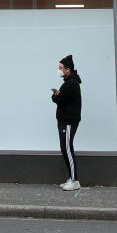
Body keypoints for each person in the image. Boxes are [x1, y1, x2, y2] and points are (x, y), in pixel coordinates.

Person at [51, 54, 82, 191]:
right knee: (65, 149)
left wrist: (56, 95)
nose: (59, 70)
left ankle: (75, 180)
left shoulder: (71, 83)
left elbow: (59, 99)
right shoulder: (67, 82)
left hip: (68, 121)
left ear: (68, 69)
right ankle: (71, 178)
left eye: (60, 68)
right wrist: (57, 94)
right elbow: (60, 97)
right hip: (64, 121)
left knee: (67, 149)